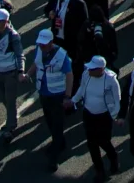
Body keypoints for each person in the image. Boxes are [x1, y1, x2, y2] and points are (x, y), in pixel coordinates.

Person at [32, 26, 77, 166]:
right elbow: (36, 64)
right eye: (40, 43)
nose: (42, 46)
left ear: (51, 42)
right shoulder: (39, 49)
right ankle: (60, 143)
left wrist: (67, 96)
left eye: (44, 44)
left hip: (57, 96)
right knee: (50, 122)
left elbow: (69, 75)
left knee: (57, 125)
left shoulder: (62, 56)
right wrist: (27, 74)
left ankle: (54, 158)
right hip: (43, 93)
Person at [73, 55, 121, 175]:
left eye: (92, 68)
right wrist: (73, 100)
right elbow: (81, 89)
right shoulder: (86, 74)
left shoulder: (111, 80)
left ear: (101, 69)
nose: (89, 70)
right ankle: (99, 171)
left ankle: (113, 158)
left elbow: (117, 100)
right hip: (88, 114)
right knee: (91, 143)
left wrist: (115, 116)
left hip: (104, 117)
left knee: (104, 141)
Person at [0, 8, 25, 130]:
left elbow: (20, 55)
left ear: (5, 21)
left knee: (10, 100)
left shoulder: (13, 36)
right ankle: (11, 117)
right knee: (2, 98)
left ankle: (11, 125)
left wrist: (21, 71)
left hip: (10, 73)